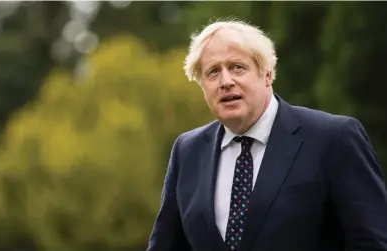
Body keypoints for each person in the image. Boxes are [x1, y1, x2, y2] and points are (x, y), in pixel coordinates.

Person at [146, 19, 387, 251]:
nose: (226, 81)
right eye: (213, 72)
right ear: (202, 85)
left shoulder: (334, 138)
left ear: (268, 74)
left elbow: (372, 242)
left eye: (237, 68)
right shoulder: (187, 150)